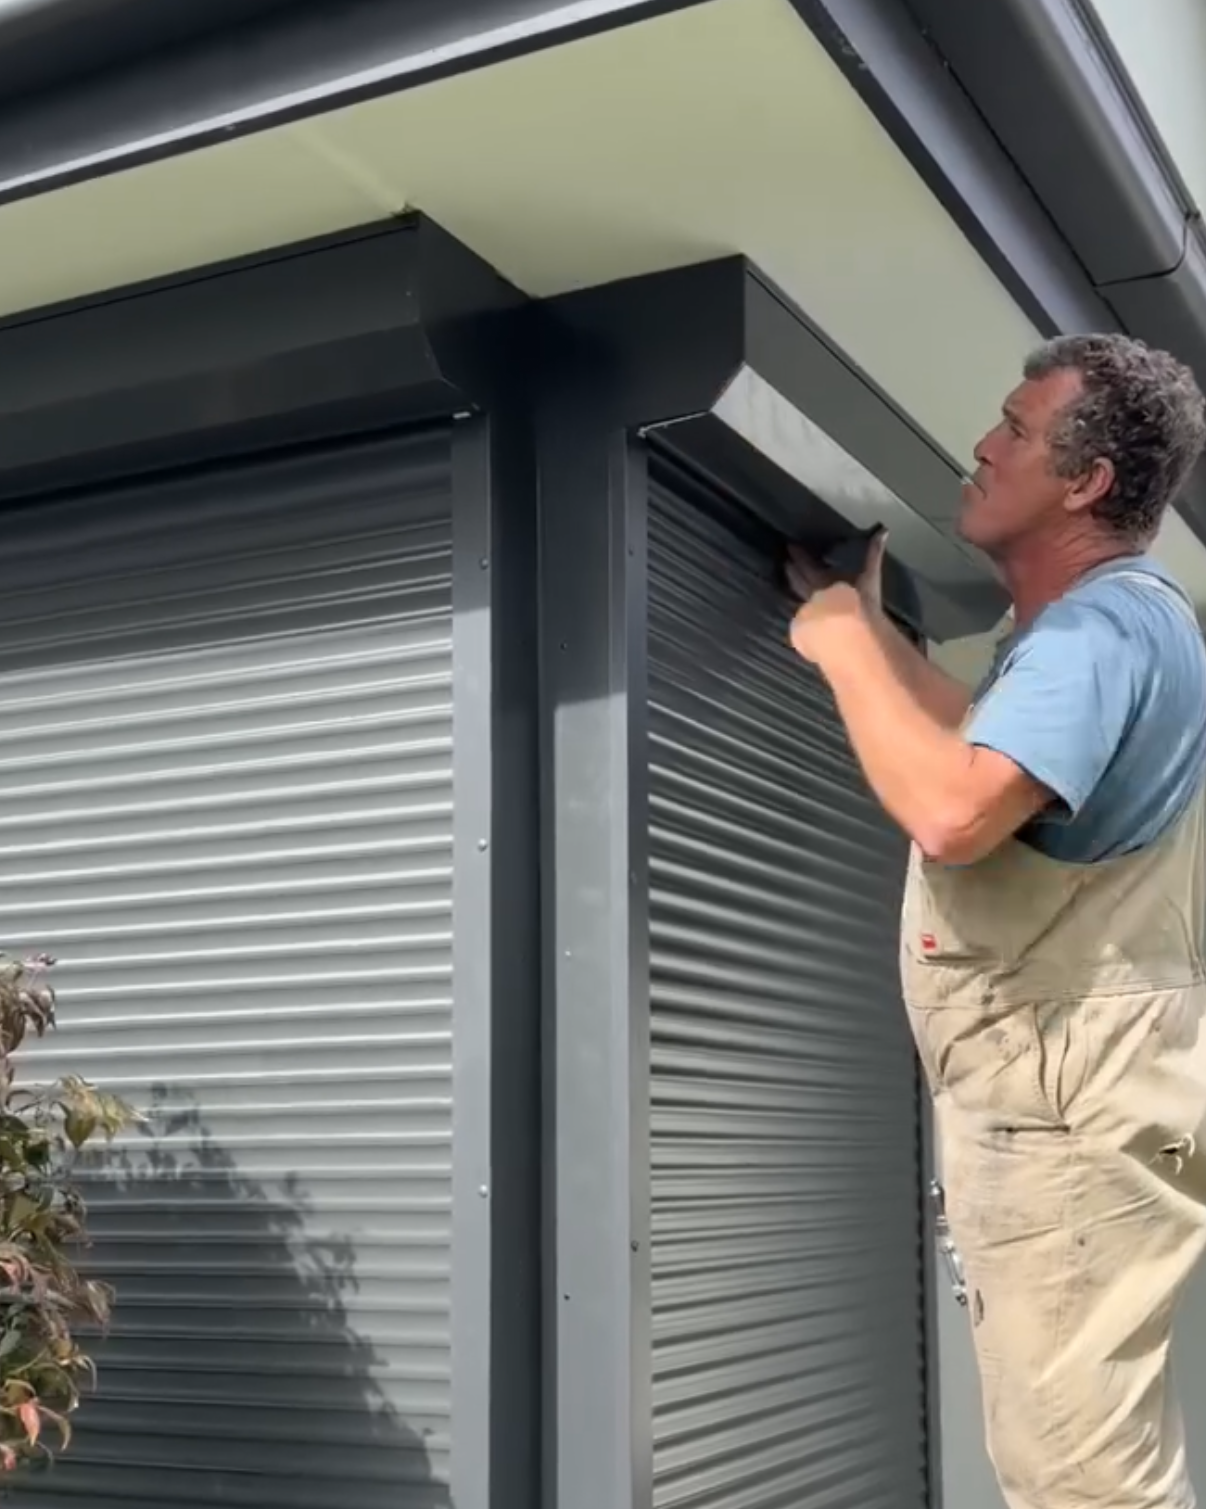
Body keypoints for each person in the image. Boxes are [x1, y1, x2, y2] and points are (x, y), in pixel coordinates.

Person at [787, 333, 1206, 1509]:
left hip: (1068, 1115)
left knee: (1081, 1482)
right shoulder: (1121, 627)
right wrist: (874, 636)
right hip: (1095, 1096)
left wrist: (837, 644)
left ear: (1086, 483)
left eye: (1017, 431)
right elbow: (981, 742)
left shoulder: (1095, 633)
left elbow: (956, 809)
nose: (983, 444)